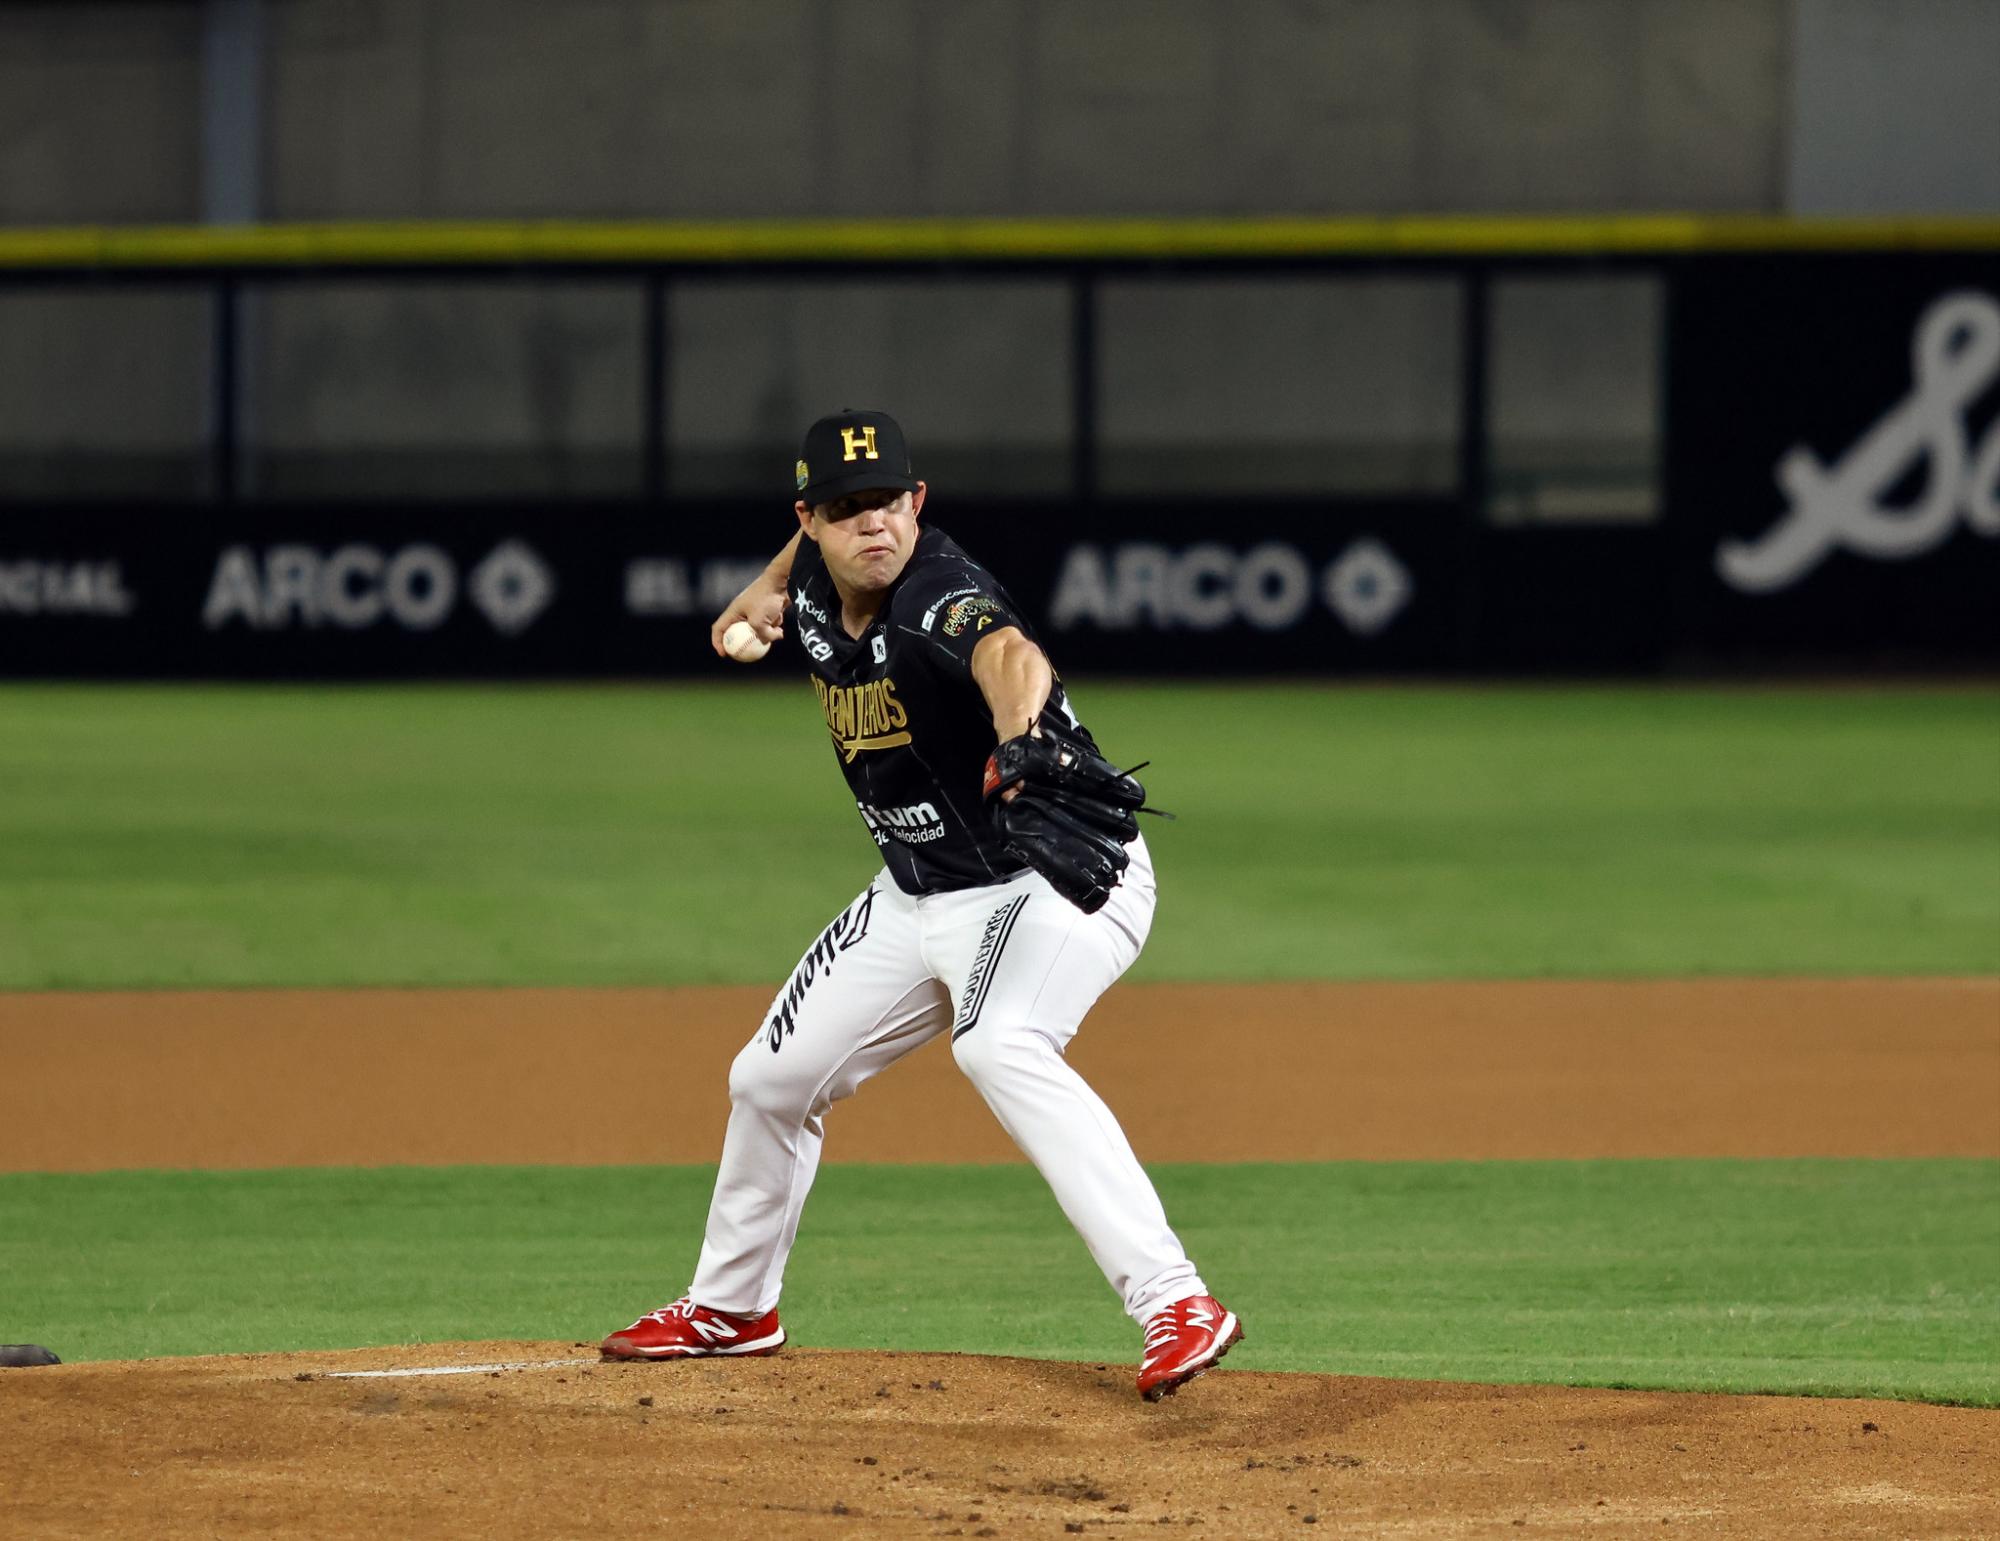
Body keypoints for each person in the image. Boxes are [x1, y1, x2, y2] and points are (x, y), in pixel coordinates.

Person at [601, 409, 1241, 1400]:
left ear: (919, 502)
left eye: (890, 502)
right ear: (809, 518)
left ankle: (1174, 1298)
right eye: (848, 508)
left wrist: (1023, 732)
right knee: (768, 1079)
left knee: (1001, 1042)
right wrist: (763, 589)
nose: (875, 526)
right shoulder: (815, 572)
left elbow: (1007, 654)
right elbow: (804, 556)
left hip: (1051, 880)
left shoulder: (936, 595)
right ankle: (732, 1308)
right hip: (914, 892)